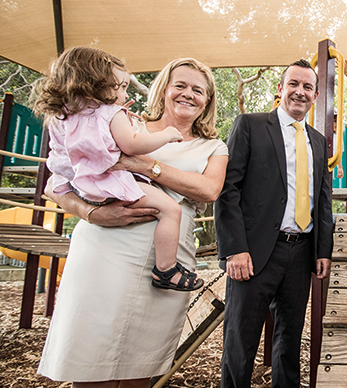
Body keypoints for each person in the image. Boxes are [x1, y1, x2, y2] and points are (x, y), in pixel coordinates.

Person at [37, 57, 228, 387]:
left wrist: (142, 165)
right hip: (103, 250)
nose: (189, 94)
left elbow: (209, 189)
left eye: (198, 90)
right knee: (91, 359)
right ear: (164, 89)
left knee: (145, 364)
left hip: (166, 264)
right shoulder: (124, 123)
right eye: (180, 85)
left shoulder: (213, 146)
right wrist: (91, 212)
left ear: (207, 100)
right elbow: (55, 184)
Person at [34, 46, 203, 293]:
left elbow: (59, 166)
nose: (124, 93)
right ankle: (166, 269)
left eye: (197, 90)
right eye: (120, 87)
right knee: (170, 209)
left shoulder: (62, 118)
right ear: (97, 84)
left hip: (86, 187)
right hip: (111, 189)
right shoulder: (112, 114)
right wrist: (165, 135)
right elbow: (132, 144)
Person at [214, 59, 334, 388]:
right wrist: (235, 249)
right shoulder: (250, 125)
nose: (300, 91)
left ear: (315, 94)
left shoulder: (319, 141)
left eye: (307, 86)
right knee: (240, 343)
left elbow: (323, 199)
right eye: (293, 84)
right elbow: (228, 190)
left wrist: (323, 250)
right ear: (280, 89)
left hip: (300, 254)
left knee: (289, 343)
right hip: (253, 253)